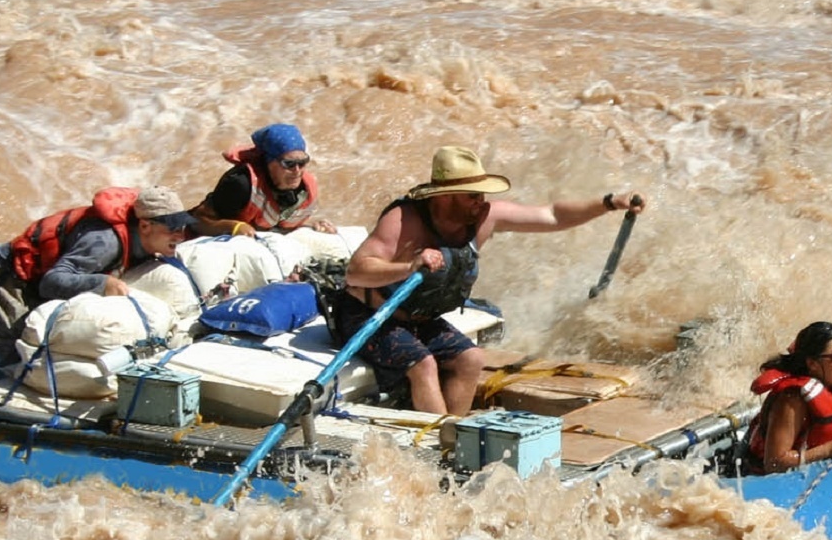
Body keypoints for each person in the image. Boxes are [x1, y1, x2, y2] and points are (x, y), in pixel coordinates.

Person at [336, 145, 646, 416]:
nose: (481, 201)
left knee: (471, 359)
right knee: (424, 364)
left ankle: (451, 435)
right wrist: (409, 266)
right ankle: (437, 443)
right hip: (368, 316)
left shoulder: (485, 217)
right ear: (445, 197)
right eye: (473, 195)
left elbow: (553, 215)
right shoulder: (404, 221)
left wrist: (609, 202)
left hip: (418, 319)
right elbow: (357, 271)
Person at [0, 182, 193, 379]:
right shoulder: (105, 242)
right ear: (145, 226)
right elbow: (50, 283)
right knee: (3, 359)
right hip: (16, 273)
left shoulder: (147, 244)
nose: (181, 236)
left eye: (182, 227)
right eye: (173, 229)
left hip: (49, 272)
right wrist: (101, 284)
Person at [741, 321, 832, 475]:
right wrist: (828, 449)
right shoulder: (792, 400)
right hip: (760, 476)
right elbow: (774, 462)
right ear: (813, 364)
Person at [190, 122, 338, 238]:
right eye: (289, 164)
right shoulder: (240, 184)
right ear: (269, 162)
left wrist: (312, 225)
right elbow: (198, 222)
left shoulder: (304, 189)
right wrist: (233, 227)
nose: (297, 171)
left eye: (303, 162)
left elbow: (281, 225)